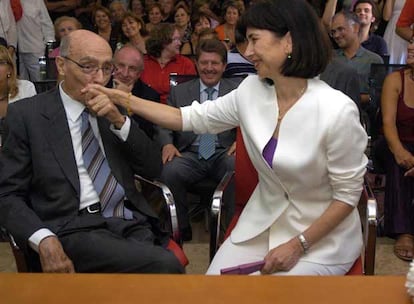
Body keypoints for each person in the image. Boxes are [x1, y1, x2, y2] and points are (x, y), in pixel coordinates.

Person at [83, 0, 368, 275]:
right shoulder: (251, 90)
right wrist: (124, 99)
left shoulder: (337, 110)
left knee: (269, 295)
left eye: (255, 40)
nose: (248, 52)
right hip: (262, 224)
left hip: (320, 239)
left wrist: (298, 244)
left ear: (289, 41)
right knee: (215, 287)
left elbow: (347, 196)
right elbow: (187, 118)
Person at [0, 29, 183, 274]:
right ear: (62, 65)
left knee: (148, 270)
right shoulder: (27, 115)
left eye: (107, 69)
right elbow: (8, 195)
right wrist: (43, 238)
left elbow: (153, 168)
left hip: (127, 220)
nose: (99, 78)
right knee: (164, 265)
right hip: (71, 228)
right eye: (88, 67)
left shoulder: (115, 107)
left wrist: (119, 120)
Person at [157, 39, 240, 241]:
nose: (209, 68)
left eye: (215, 63)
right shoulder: (180, 91)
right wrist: (167, 143)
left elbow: (252, 118)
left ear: (224, 66)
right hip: (190, 153)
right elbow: (164, 122)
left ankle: (229, 231)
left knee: (237, 167)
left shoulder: (238, 90)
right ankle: (180, 230)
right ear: (196, 64)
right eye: (204, 63)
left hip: (224, 151)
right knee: (170, 171)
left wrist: (242, 142)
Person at [374, 40, 414, 261]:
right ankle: (403, 231)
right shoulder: (395, 79)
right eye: (411, 42)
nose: (410, 47)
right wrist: (401, 153)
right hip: (391, 142)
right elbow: (388, 124)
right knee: (397, 159)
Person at [330, 11, 383, 105]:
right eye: (333, 32)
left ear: (355, 28)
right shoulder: (329, 58)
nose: (336, 35)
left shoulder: (374, 60)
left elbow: (377, 96)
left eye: (341, 29)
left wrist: (349, 99)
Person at [112, 44, 160, 139]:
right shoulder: (101, 86)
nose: (125, 74)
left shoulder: (150, 96)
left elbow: (144, 137)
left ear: (139, 74)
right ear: (112, 66)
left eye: (132, 69)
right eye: (121, 66)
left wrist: (128, 101)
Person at [140, 23, 196, 104]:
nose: (180, 43)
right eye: (176, 39)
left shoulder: (186, 64)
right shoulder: (143, 62)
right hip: (145, 109)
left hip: (175, 111)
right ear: (164, 41)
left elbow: (191, 94)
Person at [17, 0, 56, 82]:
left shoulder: (37, 1)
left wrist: (50, 48)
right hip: (15, 51)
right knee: (20, 83)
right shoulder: (7, 2)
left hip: (36, 49)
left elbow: (47, 24)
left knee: (41, 79)